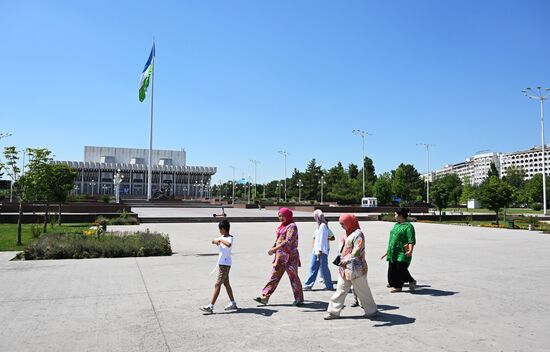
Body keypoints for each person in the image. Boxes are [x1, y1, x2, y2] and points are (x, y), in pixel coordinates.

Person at [325, 214, 378, 320]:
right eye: (340, 224)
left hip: (356, 268)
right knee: (340, 290)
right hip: (344, 269)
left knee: (363, 290)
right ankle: (333, 312)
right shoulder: (345, 233)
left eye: (343, 223)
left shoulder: (358, 234)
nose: (342, 226)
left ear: (350, 222)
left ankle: (371, 310)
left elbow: (358, 250)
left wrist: (347, 259)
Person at [254, 208, 304, 306]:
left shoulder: (292, 226)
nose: (280, 218)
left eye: (282, 216)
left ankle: (299, 299)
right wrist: (273, 248)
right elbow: (279, 239)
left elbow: (287, 241)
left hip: (290, 257)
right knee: (274, 276)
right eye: (279, 216)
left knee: (294, 278)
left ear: (288, 216)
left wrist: (275, 248)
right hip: (280, 257)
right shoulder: (282, 226)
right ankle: (265, 297)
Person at [200, 220, 238, 314]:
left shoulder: (230, 238)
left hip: (225, 265)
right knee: (226, 284)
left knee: (217, 284)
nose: (219, 231)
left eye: (220, 229)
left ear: (223, 229)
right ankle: (233, 302)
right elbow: (213, 241)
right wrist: (216, 241)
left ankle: (211, 306)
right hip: (222, 265)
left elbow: (229, 244)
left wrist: (220, 240)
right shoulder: (222, 237)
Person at [381, 207, 417, 293]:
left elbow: (411, 240)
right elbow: (392, 239)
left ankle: (409, 281)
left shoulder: (408, 226)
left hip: (402, 251)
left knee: (400, 267)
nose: (394, 216)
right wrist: (387, 251)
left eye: (396, 214)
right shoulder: (396, 225)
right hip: (393, 251)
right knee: (392, 269)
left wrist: (410, 250)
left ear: (400, 215)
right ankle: (395, 284)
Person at [303, 209, 334, 291]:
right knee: (313, 267)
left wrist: (320, 250)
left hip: (321, 251)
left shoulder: (323, 226)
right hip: (316, 251)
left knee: (324, 269)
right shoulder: (319, 226)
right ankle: (308, 285)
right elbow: (315, 238)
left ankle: (329, 286)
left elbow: (322, 239)